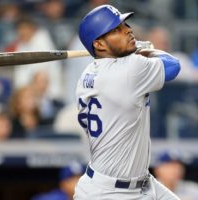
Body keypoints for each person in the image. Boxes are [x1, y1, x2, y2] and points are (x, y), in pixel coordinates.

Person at [74, 4, 181, 200]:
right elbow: (174, 66)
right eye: (116, 30)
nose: (128, 30)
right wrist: (146, 49)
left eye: (125, 25)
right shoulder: (131, 69)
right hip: (111, 194)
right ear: (99, 44)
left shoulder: (88, 73)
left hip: (132, 183)